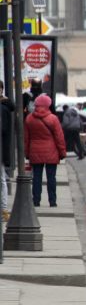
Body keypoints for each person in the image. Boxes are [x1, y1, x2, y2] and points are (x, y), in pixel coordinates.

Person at [24, 94, 66, 207]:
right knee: (51, 178)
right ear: (48, 105)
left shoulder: (29, 119)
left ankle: (36, 200)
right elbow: (59, 137)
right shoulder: (53, 119)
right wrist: (62, 152)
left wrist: (27, 153)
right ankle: (52, 201)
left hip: (35, 151)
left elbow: (26, 139)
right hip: (51, 152)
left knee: (36, 177)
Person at [0, 81, 15, 221]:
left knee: (2, 179)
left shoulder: (3, 108)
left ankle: (4, 209)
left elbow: (2, 130)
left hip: (1, 150)